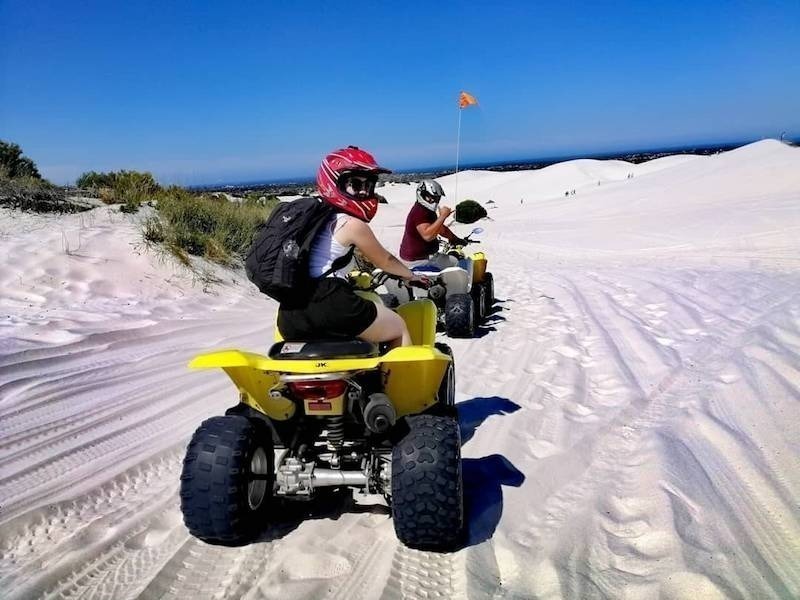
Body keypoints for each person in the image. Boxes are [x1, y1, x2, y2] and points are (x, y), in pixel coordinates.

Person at [277, 146, 426, 349]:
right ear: (334, 183)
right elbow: (385, 261)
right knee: (398, 326)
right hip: (332, 303)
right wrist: (410, 276)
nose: (364, 191)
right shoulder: (350, 224)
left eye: (369, 185)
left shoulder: (310, 220)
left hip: (290, 314)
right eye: (355, 184)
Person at [399, 180, 468, 265]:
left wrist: (454, 238)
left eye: (436, 198)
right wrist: (442, 216)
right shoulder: (420, 212)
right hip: (418, 260)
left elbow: (440, 229)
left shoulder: (427, 210)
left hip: (421, 257)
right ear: (421, 195)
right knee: (457, 262)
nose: (433, 200)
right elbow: (427, 236)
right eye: (429, 197)